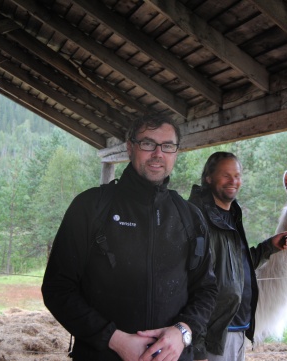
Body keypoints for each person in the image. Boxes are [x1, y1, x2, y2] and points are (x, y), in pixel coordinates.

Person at [41, 115, 218, 361]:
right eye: (148, 143)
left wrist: (183, 332)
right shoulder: (91, 207)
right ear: (130, 146)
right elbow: (57, 289)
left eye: (167, 146)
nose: (158, 153)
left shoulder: (189, 216)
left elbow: (207, 289)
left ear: (175, 152)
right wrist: (114, 340)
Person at [187, 152, 287, 361]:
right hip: (213, 334)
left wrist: (268, 247)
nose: (233, 181)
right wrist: (198, 348)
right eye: (226, 175)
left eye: (237, 175)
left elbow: (233, 268)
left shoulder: (229, 215)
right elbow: (191, 285)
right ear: (208, 178)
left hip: (236, 328)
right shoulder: (198, 219)